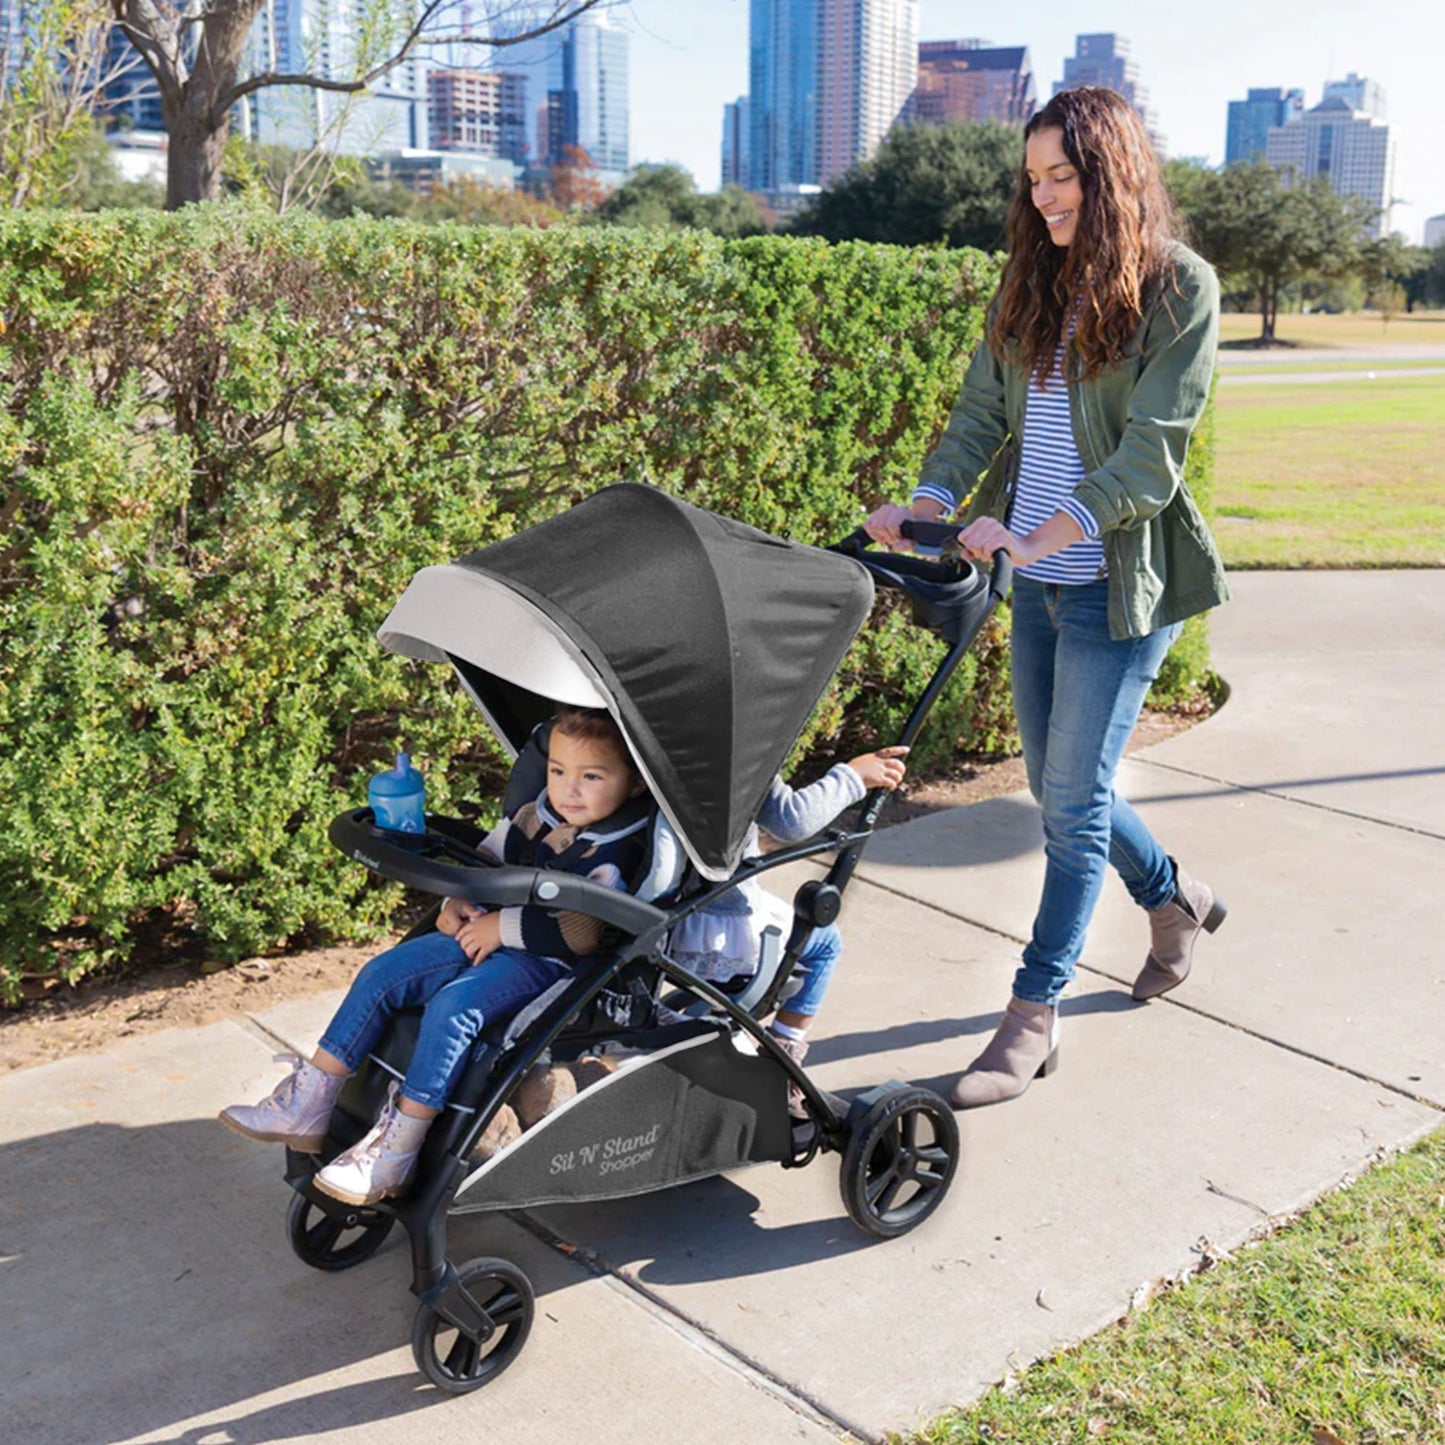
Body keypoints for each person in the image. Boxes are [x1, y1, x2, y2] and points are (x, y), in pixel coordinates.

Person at [865, 86, 1229, 1110]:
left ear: (1107, 173)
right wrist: (930, 500)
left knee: (1069, 807)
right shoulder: (1028, 285)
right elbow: (981, 414)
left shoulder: (1176, 290)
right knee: (1063, 785)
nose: (1043, 197)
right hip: (1040, 589)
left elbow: (1148, 462)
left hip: (1120, 588)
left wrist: (1031, 533)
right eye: (1031, 181)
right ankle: (1175, 899)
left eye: (1060, 177)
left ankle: (1031, 1013)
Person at [220, 705, 655, 1203]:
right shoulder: (536, 816)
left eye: (591, 776)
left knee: (455, 1007)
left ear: (635, 783)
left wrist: (501, 926)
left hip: (545, 964)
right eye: (557, 771)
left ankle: (396, 1152)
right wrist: (456, 901)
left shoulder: (615, 848)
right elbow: (485, 860)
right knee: (383, 973)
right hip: (480, 931)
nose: (569, 789)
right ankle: (309, 1103)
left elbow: (581, 931)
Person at [669, 746, 909, 1114]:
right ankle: (783, 1051)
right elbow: (792, 819)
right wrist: (853, 776)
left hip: (656, 919)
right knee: (825, 942)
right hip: (715, 926)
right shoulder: (736, 749)